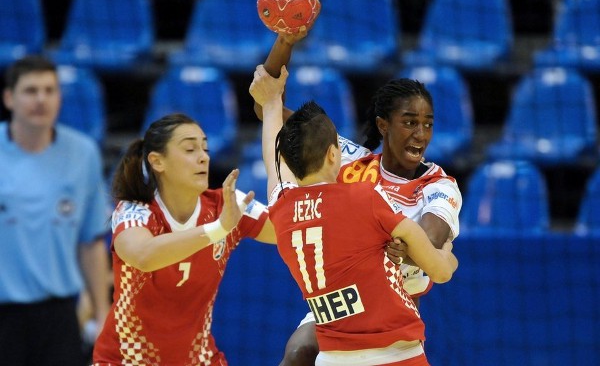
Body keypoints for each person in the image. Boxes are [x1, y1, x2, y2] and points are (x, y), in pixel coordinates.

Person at [254, 32, 462, 365]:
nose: (420, 134)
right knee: (299, 351)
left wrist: (414, 248)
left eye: (428, 124)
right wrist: (285, 42)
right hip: (343, 292)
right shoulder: (349, 159)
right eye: (409, 123)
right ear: (384, 125)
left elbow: (423, 247)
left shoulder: (439, 184)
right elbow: (273, 117)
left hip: (395, 296)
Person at [92, 113, 277, 365]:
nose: (203, 156)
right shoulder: (135, 211)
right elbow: (144, 255)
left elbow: (287, 231)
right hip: (126, 360)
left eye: (205, 147)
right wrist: (218, 229)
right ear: (157, 162)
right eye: (190, 149)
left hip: (198, 359)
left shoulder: (226, 205)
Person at [0, 55, 111, 365]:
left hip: (58, 316)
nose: (41, 99)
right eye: (31, 90)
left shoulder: (82, 153)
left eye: (50, 91)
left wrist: (102, 314)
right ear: (9, 98)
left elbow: (91, 243)